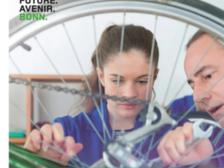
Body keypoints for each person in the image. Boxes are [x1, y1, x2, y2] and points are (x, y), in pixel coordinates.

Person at [23, 24, 191, 167]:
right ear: (102, 77)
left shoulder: (179, 132)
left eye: (141, 81)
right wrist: (32, 160)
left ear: (154, 77)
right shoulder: (68, 132)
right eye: (118, 80)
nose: (129, 94)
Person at [157, 30, 224, 167]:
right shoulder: (199, 110)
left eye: (208, 76)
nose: (197, 96)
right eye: (193, 87)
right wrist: (208, 163)